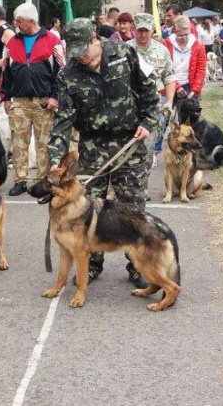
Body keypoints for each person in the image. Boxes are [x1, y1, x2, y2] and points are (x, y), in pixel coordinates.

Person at [47, 18, 158, 284]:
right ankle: (92, 263)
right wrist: (54, 162)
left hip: (130, 144)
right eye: (74, 52)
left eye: (83, 50)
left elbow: (149, 92)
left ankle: (138, 266)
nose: (80, 57)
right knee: (87, 208)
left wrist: (147, 122)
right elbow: (62, 123)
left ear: (95, 38)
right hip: (93, 147)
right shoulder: (68, 75)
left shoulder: (126, 54)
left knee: (132, 208)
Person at [3, 2, 64, 196]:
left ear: (31, 21)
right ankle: (20, 180)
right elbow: (6, 71)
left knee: (43, 144)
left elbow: (61, 74)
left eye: (19, 21)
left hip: (44, 101)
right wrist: (5, 96)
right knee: (18, 143)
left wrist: (55, 96)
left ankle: (42, 181)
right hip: (19, 101)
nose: (16, 25)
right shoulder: (12, 43)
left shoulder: (52, 40)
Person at [131, 13, 176, 178]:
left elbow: (169, 77)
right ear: (134, 30)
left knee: (148, 150)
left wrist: (170, 101)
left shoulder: (162, 50)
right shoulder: (125, 50)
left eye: (146, 31)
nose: (143, 34)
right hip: (129, 107)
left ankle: (142, 187)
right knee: (127, 150)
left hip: (152, 108)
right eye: (140, 30)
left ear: (152, 31)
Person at [163, 16, 207, 100]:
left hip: (190, 86)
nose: (184, 38)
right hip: (169, 85)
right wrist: (177, 87)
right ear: (175, 32)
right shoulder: (166, 44)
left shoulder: (199, 45)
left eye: (186, 34)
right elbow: (164, 69)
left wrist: (195, 90)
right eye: (180, 35)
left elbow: (200, 70)